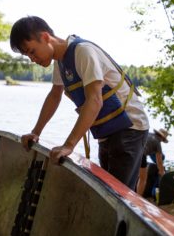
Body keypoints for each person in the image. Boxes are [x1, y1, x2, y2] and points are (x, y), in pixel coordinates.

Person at [10, 16, 149, 190]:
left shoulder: (83, 51)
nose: (32, 59)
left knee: (118, 196)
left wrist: (68, 146)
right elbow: (54, 96)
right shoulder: (60, 61)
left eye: (32, 51)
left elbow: (95, 100)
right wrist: (35, 132)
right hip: (107, 131)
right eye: (27, 55)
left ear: (45, 37)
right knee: (107, 192)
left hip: (130, 127)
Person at [136, 128, 170, 196]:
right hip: (141, 155)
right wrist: (162, 173)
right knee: (143, 178)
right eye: (163, 140)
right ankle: (138, 197)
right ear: (162, 138)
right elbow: (159, 162)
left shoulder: (148, 134)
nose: (161, 141)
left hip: (133, 150)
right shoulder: (157, 143)